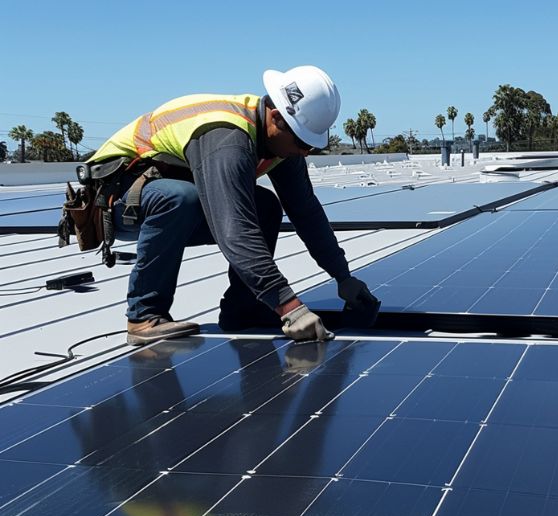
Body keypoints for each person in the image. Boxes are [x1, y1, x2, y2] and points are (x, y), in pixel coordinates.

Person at [85, 65, 380, 346]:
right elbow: (235, 230)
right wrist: (288, 305)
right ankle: (144, 316)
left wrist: (343, 276)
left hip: (164, 202)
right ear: (276, 118)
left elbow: (306, 210)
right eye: (303, 143)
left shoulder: (280, 143)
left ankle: (243, 309)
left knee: (265, 205)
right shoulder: (226, 139)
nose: (305, 152)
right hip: (114, 202)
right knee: (179, 198)